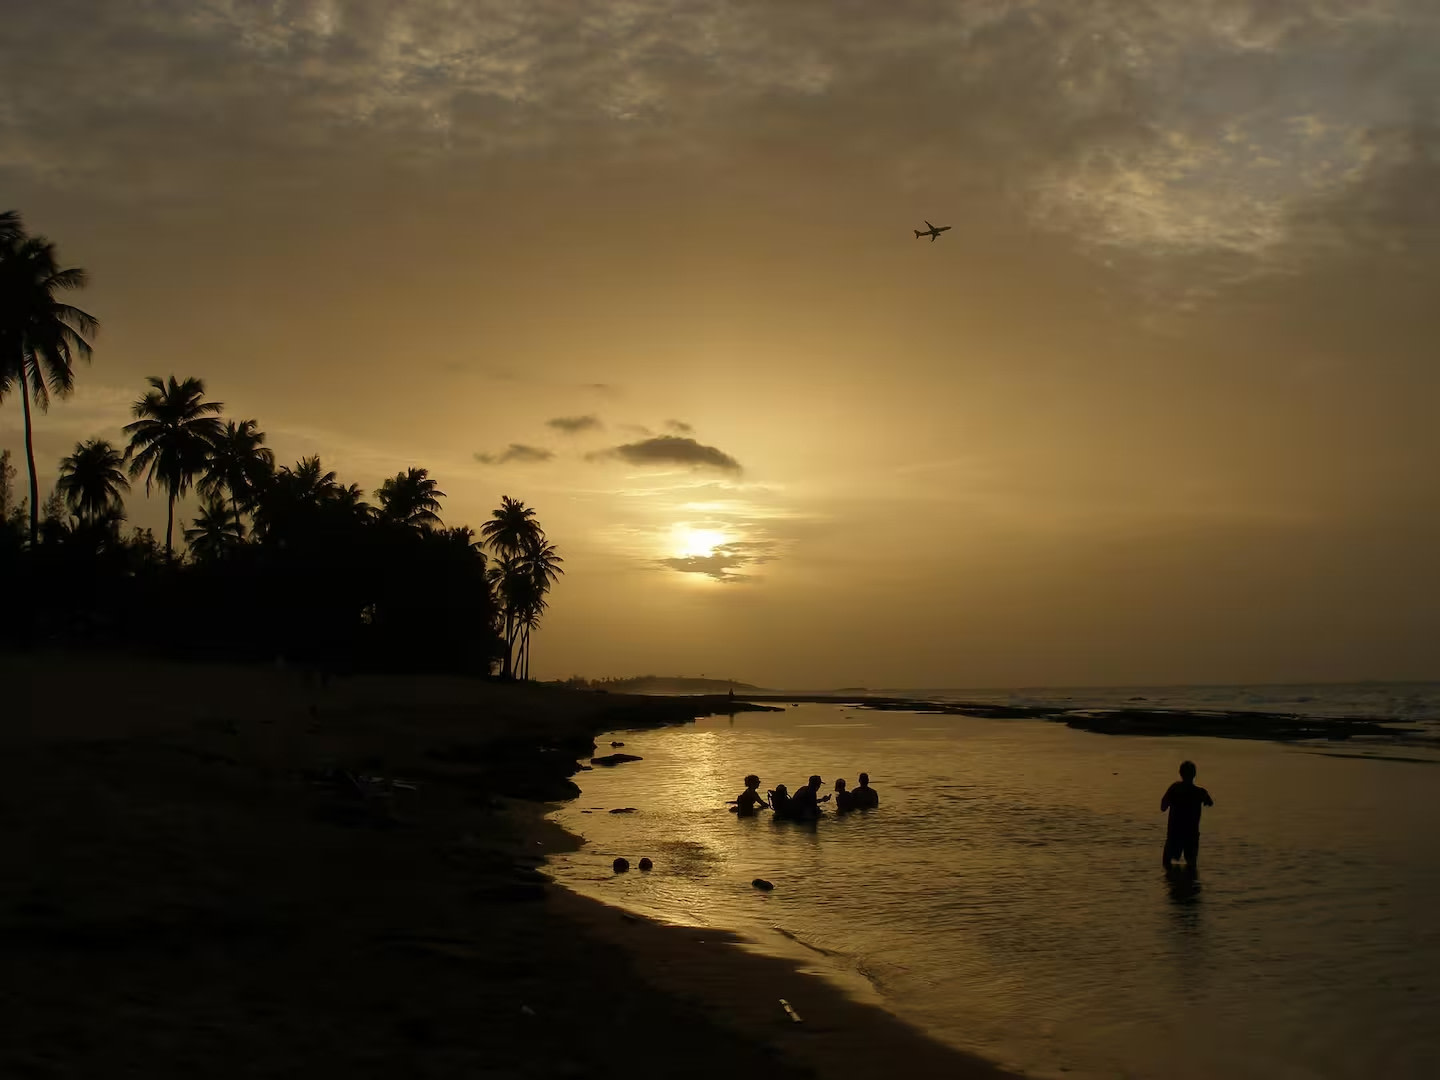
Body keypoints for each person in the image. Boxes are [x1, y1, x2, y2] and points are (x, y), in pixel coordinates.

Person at [1160, 761, 1214, 871]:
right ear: (1194, 774)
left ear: (1180, 773)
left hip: (1175, 833)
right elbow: (1210, 803)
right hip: (1191, 834)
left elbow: (1163, 807)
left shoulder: (1174, 789)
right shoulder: (1200, 792)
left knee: (1167, 865)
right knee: (1191, 867)